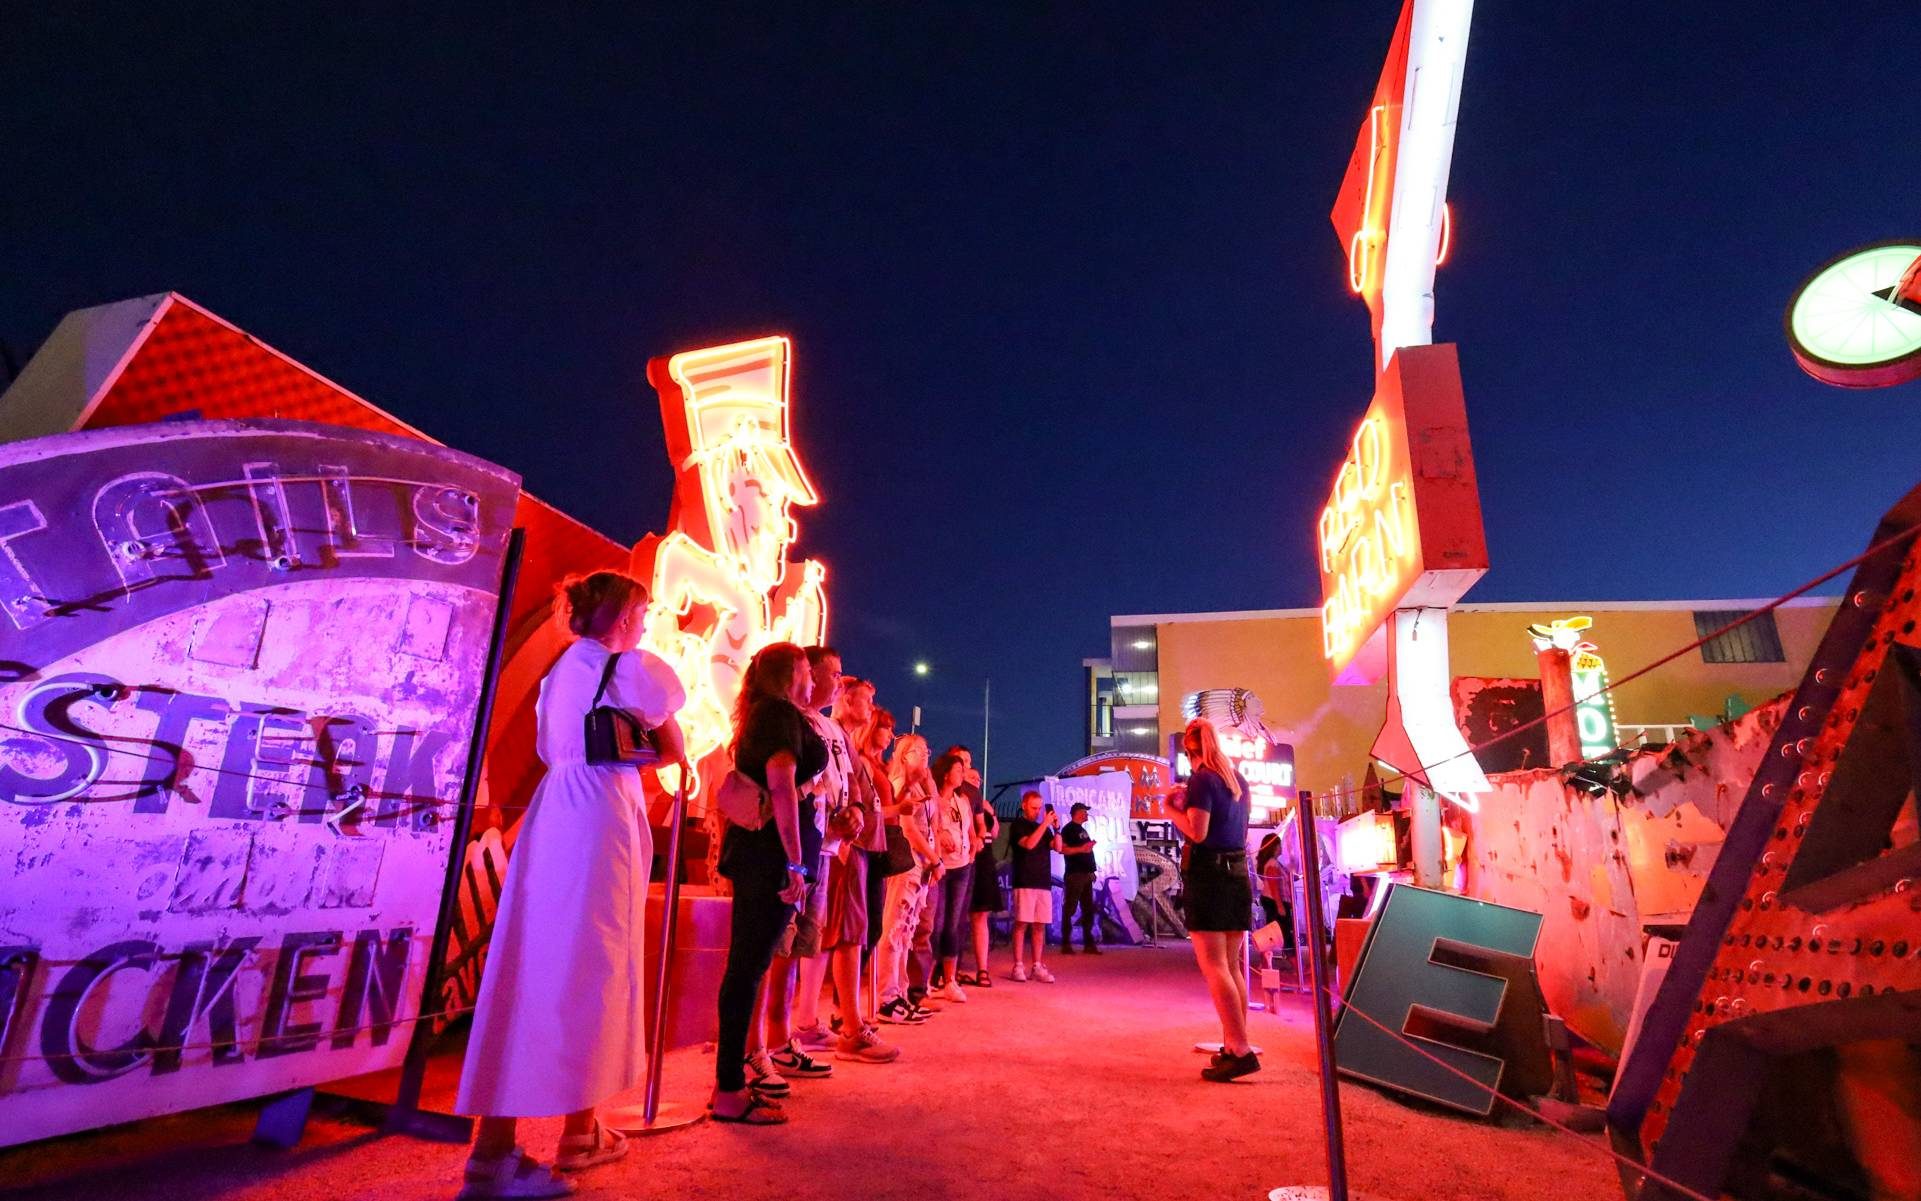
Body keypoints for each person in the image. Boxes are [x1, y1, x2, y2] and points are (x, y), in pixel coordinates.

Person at [455, 571, 687, 1197]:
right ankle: (537, 1144)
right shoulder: (634, 666)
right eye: (643, 612)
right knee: (594, 967)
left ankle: (549, 1134)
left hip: (555, 811)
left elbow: (552, 745)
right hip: (599, 821)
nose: (645, 622)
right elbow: (672, 748)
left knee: (536, 962)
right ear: (623, 618)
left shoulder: (558, 673)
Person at [712, 642, 823, 1125]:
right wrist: (796, 863)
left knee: (748, 967)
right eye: (807, 672)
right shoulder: (776, 713)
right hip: (769, 857)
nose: (814, 682)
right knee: (747, 968)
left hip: (762, 854)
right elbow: (780, 782)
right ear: (793, 673)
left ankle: (730, 1085)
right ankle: (730, 1090)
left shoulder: (765, 711)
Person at [1165, 719, 1259, 1083]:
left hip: (1210, 875)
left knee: (1214, 964)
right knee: (1232, 965)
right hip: (1237, 873)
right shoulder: (1238, 780)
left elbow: (1198, 832)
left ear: (1192, 750)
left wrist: (1170, 809)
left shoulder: (1202, 779)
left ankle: (1240, 1049)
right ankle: (1235, 1043)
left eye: (1188, 754)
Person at [821, 674, 899, 1063]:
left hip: (858, 846)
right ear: (844, 698)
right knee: (846, 934)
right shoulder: (832, 735)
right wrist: (845, 839)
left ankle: (845, 1021)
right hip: (844, 846)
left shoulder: (845, 742)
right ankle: (849, 1027)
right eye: (866, 700)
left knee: (853, 933)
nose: (871, 707)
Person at [876, 733, 940, 1023]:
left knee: (907, 931)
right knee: (894, 928)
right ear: (904, 756)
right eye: (919, 751)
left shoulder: (921, 787)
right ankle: (886, 996)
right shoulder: (900, 788)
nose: (926, 755)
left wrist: (934, 858)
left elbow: (932, 823)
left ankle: (900, 991)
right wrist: (934, 857)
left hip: (922, 865)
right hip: (907, 864)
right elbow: (909, 831)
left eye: (927, 750)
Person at [927, 749, 976, 1002]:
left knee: (953, 925)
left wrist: (971, 846)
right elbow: (926, 826)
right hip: (940, 867)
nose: (962, 774)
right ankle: (925, 979)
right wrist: (939, 835)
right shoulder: (934, 800)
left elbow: (969, 830)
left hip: (962, 866)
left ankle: (950, 980)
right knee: (934, 924)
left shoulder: (963, 801)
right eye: (958, 770)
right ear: (946, 775)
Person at [1006, 790, 1059, 982]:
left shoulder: (1043, 828)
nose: (1037, 811)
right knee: (1022, 923)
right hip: (1025, 881)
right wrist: (1044, 824)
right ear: (1024, 805)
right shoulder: (1018, 825)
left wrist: (1056, 828)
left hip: (1042, 882)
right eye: (1034, 807)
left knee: (1039, 925)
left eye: (1039, 808)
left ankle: (1037, 965)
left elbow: (1058, 847)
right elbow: (1029, 844)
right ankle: (1018, 965)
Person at [960, 748, 1002, 986]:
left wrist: (991, 812)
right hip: (964, 857)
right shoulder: (960, 798)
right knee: (957, 917)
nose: (977, 781)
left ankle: (982, 969)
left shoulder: (981, 803)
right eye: (973, 777)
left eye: (979, 779)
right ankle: (950, 967)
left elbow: (994, 833)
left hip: (984, 859)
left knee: (981, 915)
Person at [1058, 801, 1100, 954]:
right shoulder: (1068, 830)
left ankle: (1088, 944)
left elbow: (1086, 852)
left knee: (1088, 909)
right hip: (1074, 874)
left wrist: (1091, 870)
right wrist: (1082, 849)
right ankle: (1066, 943)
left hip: (1086, 875)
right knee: (1069, 908)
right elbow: (1062, 849)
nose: (1087, 814)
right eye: (1085, 811)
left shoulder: (1082, 830)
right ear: (1078, 812)